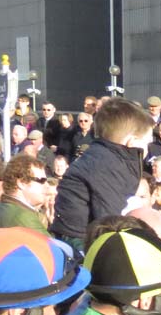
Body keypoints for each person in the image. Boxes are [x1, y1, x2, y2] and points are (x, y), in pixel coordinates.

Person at [52, 98, 155, 251]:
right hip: (80, 243)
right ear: (131, 142)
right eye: (146, 143)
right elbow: (111, 223)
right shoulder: (106, 165)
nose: (147, 150)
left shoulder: (106, 157)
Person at [0, 154, 51, 233]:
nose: (47, 186)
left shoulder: (6, 207)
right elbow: (49, 245)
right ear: (21, 183)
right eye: (42, 181)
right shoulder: (23, 216)